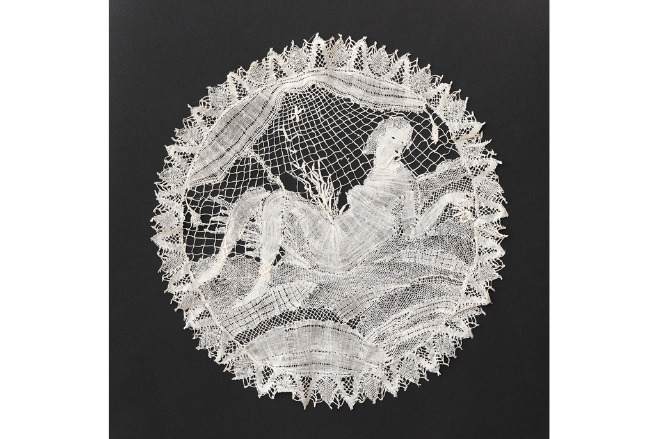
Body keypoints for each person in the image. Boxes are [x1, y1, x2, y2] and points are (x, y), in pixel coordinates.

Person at [194, 117, 470, 306]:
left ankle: (261, 281)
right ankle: (220, 262)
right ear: (380, 135)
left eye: (403, 142)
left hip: (340, 251)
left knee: (277, 200)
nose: (397, 146)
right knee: (261, 197)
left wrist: (446, 199)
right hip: (335, 232)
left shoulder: (403, 177)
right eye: (394, 137)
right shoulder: (376, 170)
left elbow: (413, 231)